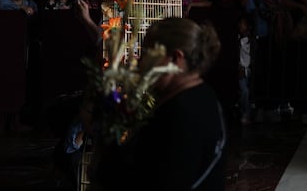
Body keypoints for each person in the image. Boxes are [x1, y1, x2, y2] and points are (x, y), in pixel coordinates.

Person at [91, 17, 227, 191]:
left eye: (148, 52)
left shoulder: (183, 113)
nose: (140, 62)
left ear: (176, 58)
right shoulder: (202, 94)